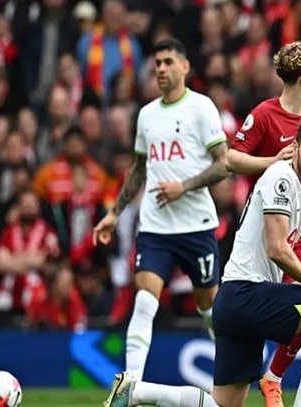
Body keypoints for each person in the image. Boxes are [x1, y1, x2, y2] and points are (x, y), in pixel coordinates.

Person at [102, 111, 301, 407]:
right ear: (296, 146)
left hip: (235, 301)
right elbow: (277, 249)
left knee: (224, 405)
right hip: (246, 293)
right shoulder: (281, 178)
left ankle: (135, 392)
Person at [93, 38, 229, 384]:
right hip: (155, 228)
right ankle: (131, 385)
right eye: (157, 64)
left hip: (196, 225)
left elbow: (223, 164)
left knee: (208, 307)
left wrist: (183, 186)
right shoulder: (147, 115)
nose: (162, 69)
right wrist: (114, 212)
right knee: (144, 301)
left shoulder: (201, 108)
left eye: (169, 62)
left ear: (185, 66)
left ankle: (232, 372)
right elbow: (139, 169)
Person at [226, 41, 301, 407]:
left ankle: (274, 379)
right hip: (270, 226)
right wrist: (273, 160)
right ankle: (266, 372)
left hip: (300, 226)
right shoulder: (265, 114)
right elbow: (231, 159)